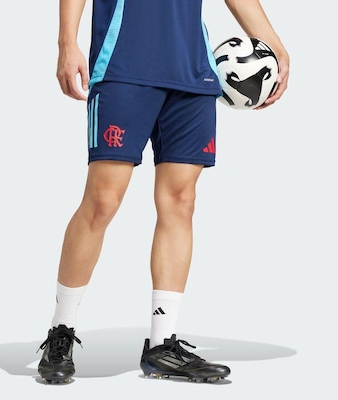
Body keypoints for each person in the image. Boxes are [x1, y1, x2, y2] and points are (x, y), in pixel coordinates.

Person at [37, 0, 290, 384]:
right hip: (124, 64)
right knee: (102, 201)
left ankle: (162, 345)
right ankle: (62, 331)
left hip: (192, 71)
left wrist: (274, 45)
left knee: (181, 202)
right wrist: (66, 42)